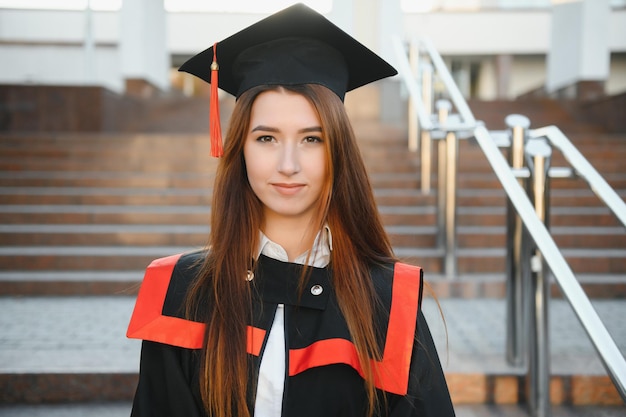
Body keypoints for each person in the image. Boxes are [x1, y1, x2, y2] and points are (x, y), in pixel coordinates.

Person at [126, 3, 455, 417]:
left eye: (311, 139)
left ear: (339, 151)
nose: (288, 164)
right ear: (239, 149)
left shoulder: (388, 300)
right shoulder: (180, 291)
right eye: (266, 138)